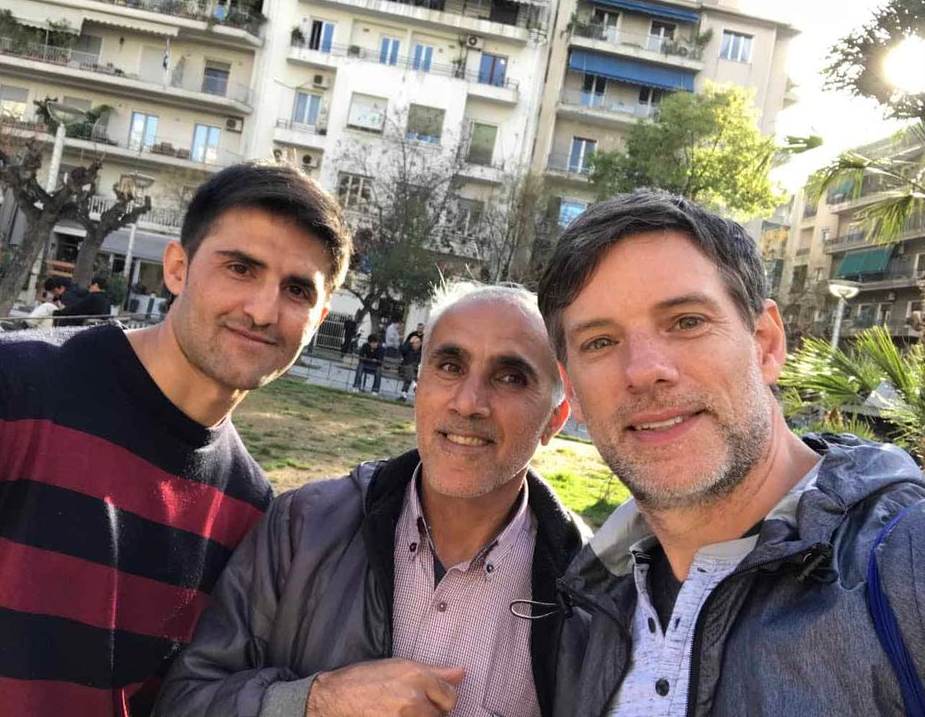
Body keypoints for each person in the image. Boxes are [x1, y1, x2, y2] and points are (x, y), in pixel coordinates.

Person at [0, 161, 353, 717]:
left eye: (296, 289)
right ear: (177, 268)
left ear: (317, 319)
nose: (263, 310)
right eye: (240, 268)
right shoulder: (3, 389)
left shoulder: (252, 510)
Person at [536, 189, 925, 716]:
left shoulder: (904, 561)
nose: (644, 369)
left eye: (686, 321)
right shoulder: (589, 599)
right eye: (600, 342)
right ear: (573, 391)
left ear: (765, 343)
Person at [153, 282, 588, 717]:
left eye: (511, 377)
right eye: (450, 366)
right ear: (419, 385)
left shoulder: (592, 591)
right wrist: (316, 702)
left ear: (554, 418)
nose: (469, 402)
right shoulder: (302, 527)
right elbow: (184, 702)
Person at [397, 332, 422, 401]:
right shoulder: (408, 350)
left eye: (418, 343)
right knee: (409, 368)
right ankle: (414, 384)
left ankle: (403, 396)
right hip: (403, 369)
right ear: (412, 344)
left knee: (409, 375)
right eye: (415, 343)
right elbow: (402, 350)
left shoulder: (421, 353)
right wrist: (409, 342)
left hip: (414, 372)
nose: (417, 345)